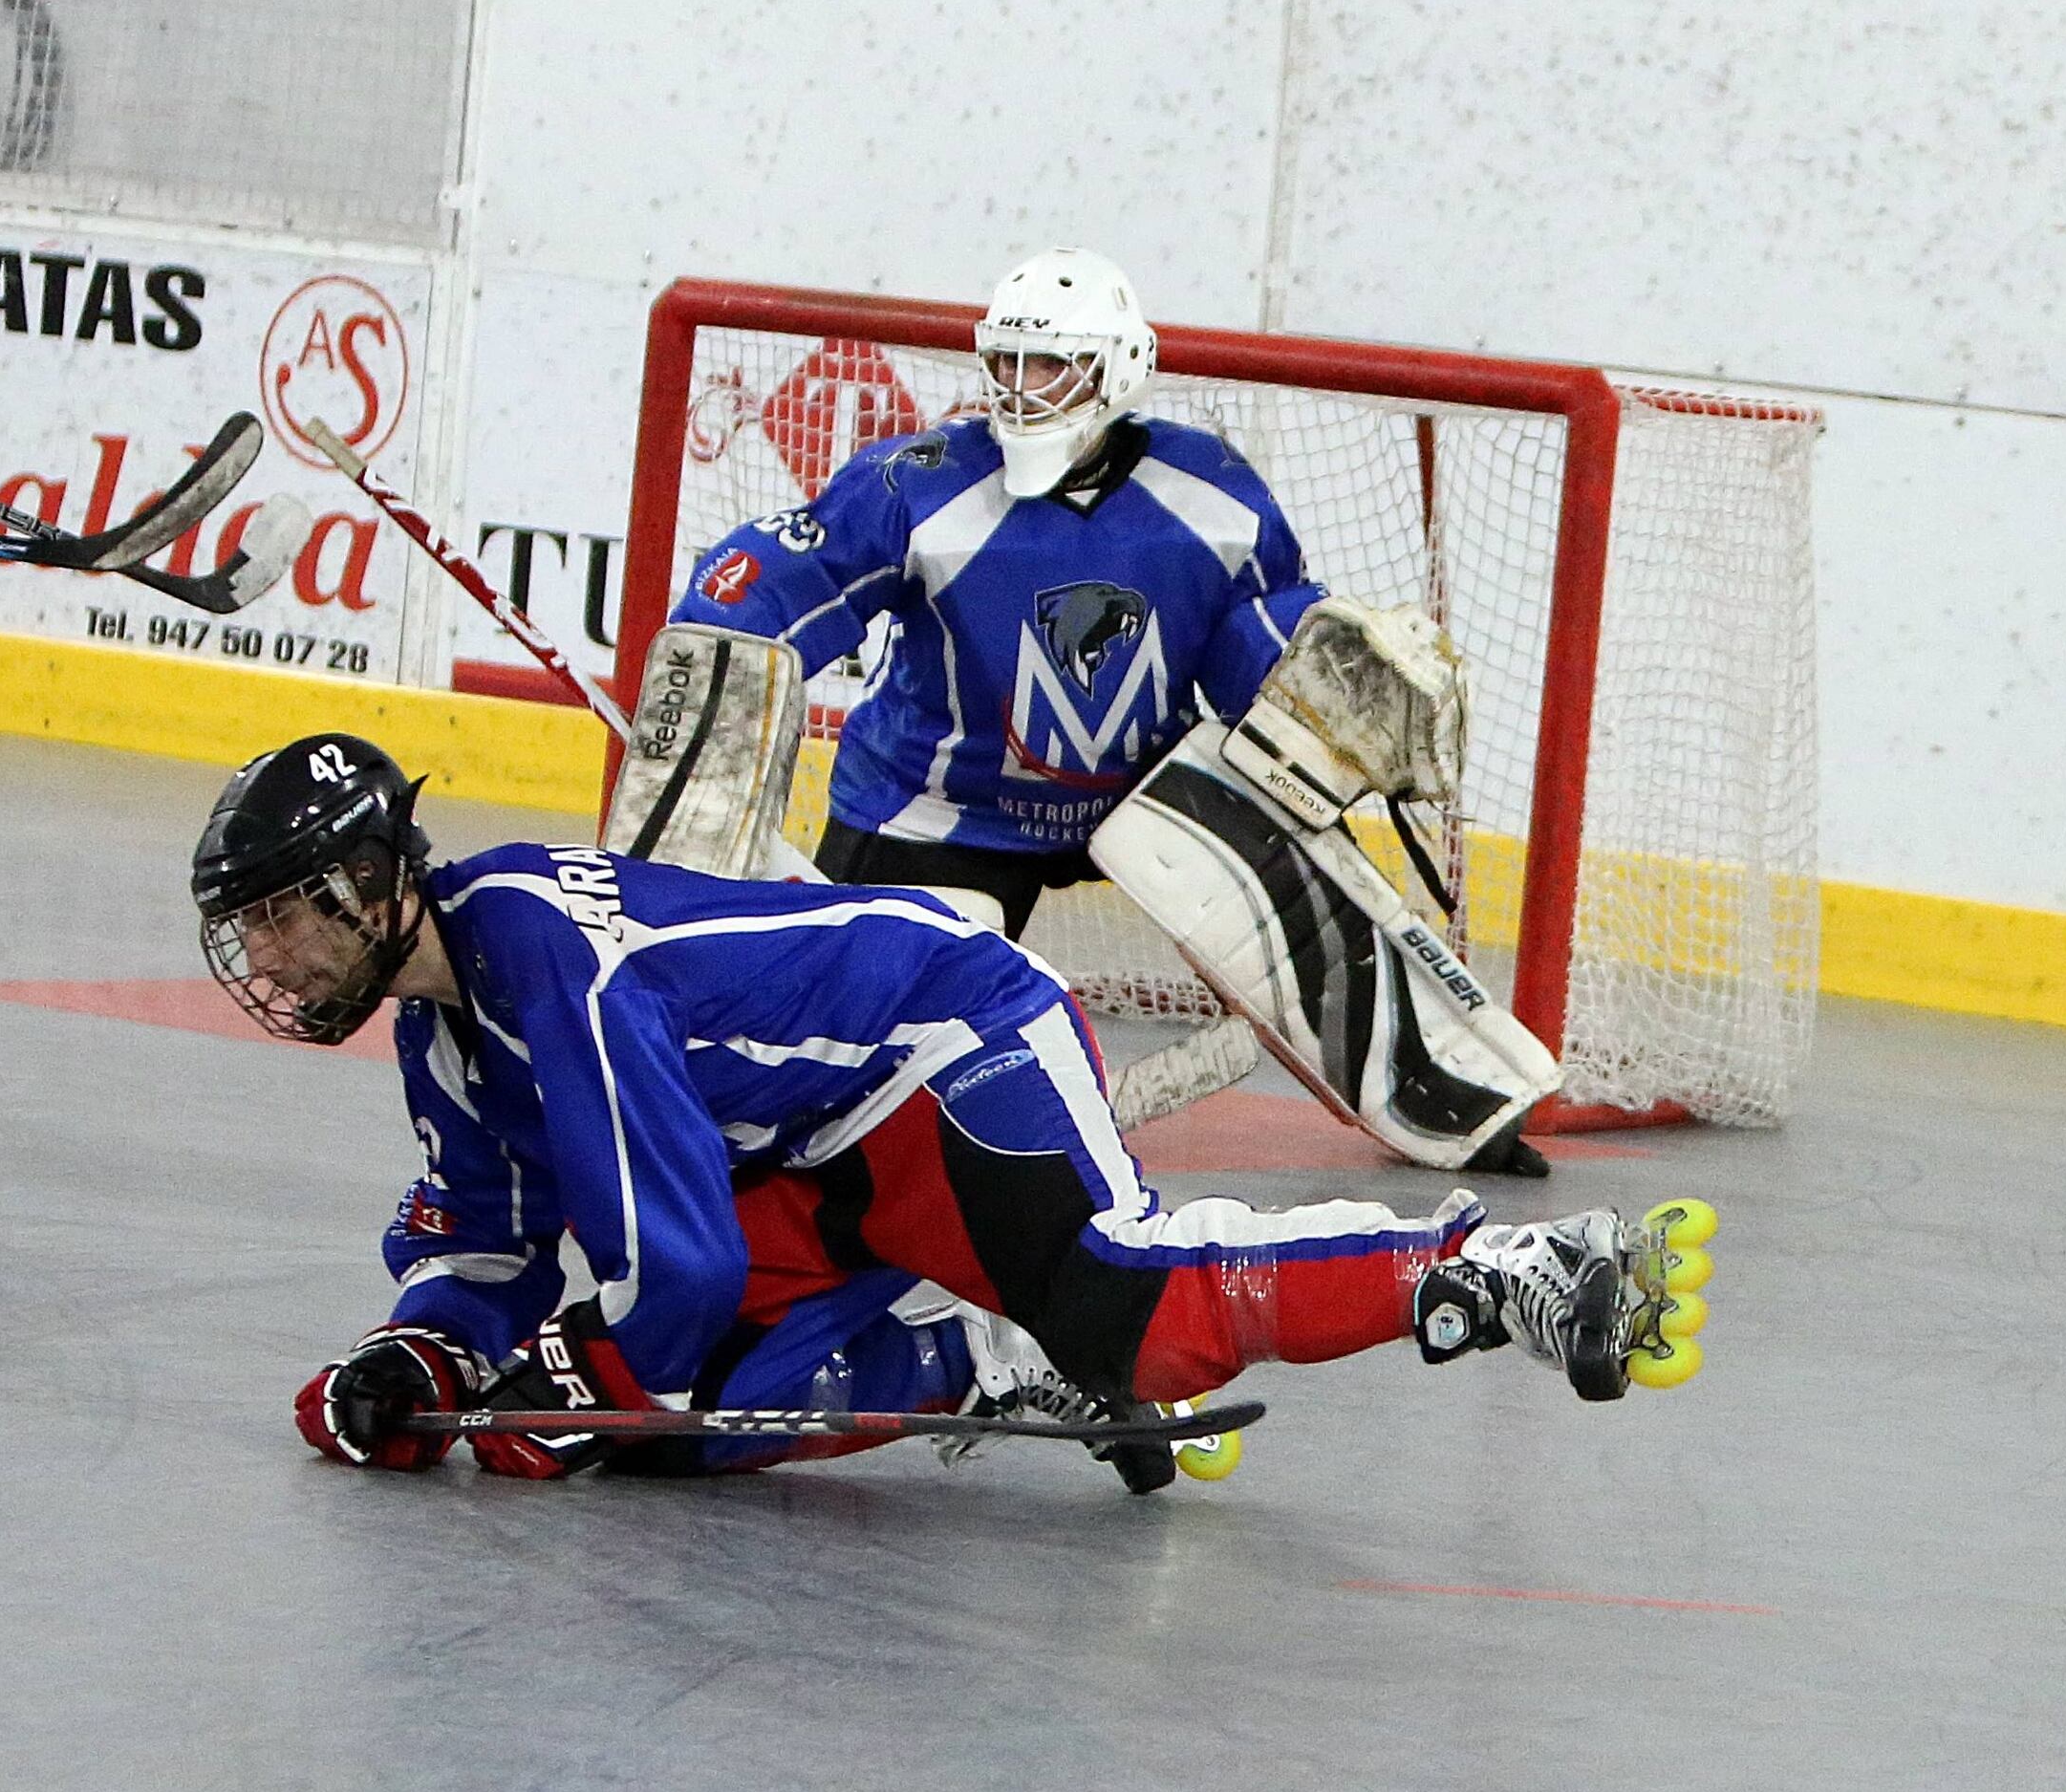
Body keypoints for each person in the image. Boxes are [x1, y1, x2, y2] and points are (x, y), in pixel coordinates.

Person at [192, 732, 1710, 1494]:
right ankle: (981, 1351)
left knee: (1134, 1315)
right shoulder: (445, 1032)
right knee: (678, 1424)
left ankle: (1487, 1272)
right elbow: (494, 1249)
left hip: (943, 1038)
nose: (262, 959)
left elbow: (678, 1269)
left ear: (366, 885)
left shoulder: (538, 950)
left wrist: (548, 1391)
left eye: (277, 918)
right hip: (821, 1138)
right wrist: (422, 1358)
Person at [611, 250, 1560, 1173]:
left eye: (1052, 363)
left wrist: (1317, 682)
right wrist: (720, 648)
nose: (1022, 388)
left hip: (1144, 795)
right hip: (937, 806)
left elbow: (1250, 658)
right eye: (1007, 362)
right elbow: (780, 587)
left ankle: (1448, 1096)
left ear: (1119, 371)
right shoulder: (918, 484)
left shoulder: (1214, 495)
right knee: (860, 1063)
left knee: (1316, 897)